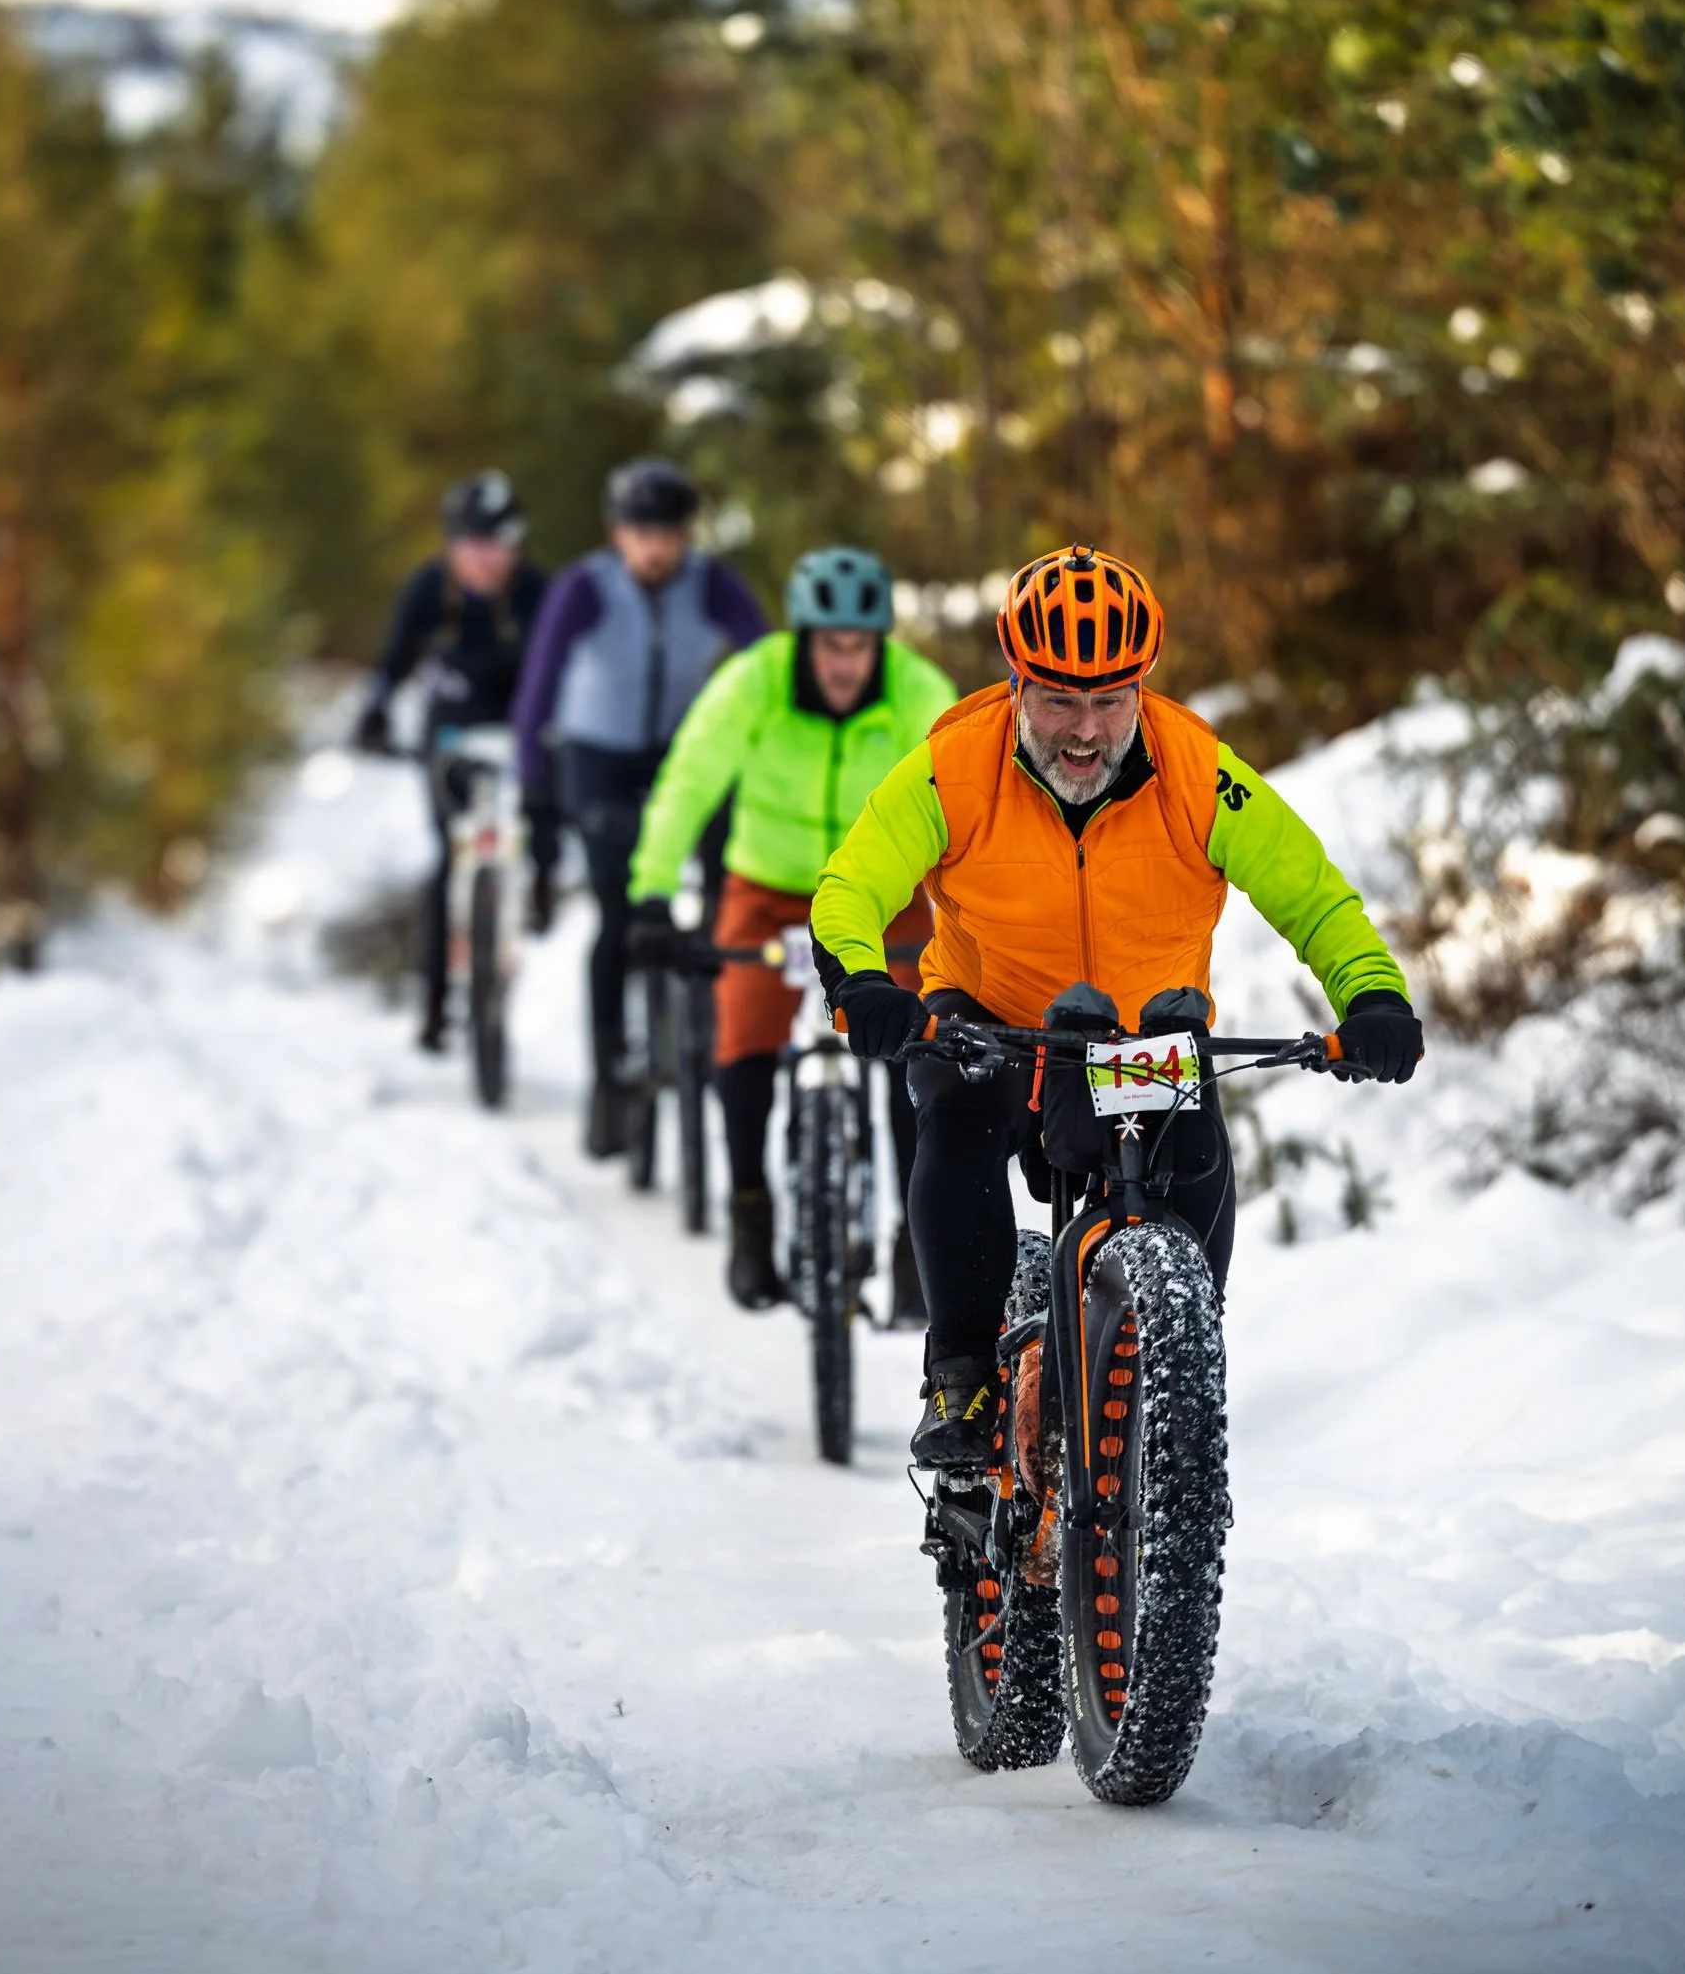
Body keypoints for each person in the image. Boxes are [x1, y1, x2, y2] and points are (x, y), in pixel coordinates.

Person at [809, 543, 1425, 1470]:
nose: (1085, 732)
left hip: (1139, 1034)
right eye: (1058, 700)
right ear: (1016, 684)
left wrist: (1371, 995)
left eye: (1110, 700)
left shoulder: (1197, 771)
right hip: (990, 1018)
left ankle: (1176, 1366)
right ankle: (961, 1372)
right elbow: (850, 888)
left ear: (1142, 688)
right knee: (958, 1124)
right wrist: (862, 983)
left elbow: (1312, 896)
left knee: (1194, 1163)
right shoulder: (954, 765)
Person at [627, 548, 957, 1310]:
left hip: (882, 892)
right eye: (829, 645)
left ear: (879, 644)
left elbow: (964, 790)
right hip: (768, 889)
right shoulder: (754, 680)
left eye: (859, 646)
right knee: (742, 1041)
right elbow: (689, 779)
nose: (844, 663)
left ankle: (916, 1242)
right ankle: (750, 1211)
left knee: (920, 1051)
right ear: (803, 640)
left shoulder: (917, 691)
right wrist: (651, 892)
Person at [511, 458, 765, 1154]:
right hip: (597, 760)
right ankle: (607, 1081)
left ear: (686, 535)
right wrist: (534, 789)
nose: (654, 547)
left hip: (682, 756)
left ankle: (708, 1015)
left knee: (724, 882)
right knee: (618, 914)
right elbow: (536, 692)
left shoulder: (711, 584)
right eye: (640, 532)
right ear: (615, 533)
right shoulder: (583, 589)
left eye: (668, 533)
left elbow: (767, 664)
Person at [354, 471, 552, 1052]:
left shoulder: (538, 592)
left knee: (545, 813)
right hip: (451, 735)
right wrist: (375, 713)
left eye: (499, 546)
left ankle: (541, 884)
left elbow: (567, 667)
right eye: (474, 546)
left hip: (521, 728)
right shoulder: (428, 589)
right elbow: (394, 662)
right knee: (449, 859)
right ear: (453, 545)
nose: (487, 560)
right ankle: (437, 1002)